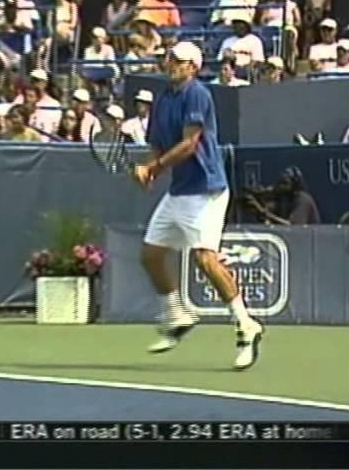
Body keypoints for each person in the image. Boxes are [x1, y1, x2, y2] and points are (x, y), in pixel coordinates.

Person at [132, 41, 264, 370]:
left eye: (178, 61)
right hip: (179, 192)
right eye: (169, 58)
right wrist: (148, 168)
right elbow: (158, 144)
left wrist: (155, 168)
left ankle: (246, 325)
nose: (170, 64)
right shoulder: (162, 99)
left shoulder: (198, 94)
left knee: (205, 259)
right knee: (150, 255)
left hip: (207, 190)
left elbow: (190, 144)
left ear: (193, 67)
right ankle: (177, 314)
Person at [244, 167, 321, 225]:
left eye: (285, 183)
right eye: (280, 182)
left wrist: (263, 212)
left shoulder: (303, 199)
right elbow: (270, 220)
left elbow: (293, 226)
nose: (280, 186)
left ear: (295, 185)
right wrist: (258, 210)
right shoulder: (284, 199)